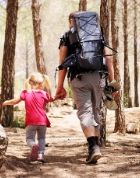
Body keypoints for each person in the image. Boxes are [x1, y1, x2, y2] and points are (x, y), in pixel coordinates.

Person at [54, 12, 115, 164]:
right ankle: (96, 145)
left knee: (85, 112)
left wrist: (59, 87)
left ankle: (93, 147)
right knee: (95, 110)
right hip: (99, 77)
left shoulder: (67, 36)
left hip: (79, 78)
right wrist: (112, 82)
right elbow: (108, 59)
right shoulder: (98, 34)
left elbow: (63, 65)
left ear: (71, 21)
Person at [1, 72, 52, 162]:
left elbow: (14, 101)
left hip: (31, 121)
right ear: (42, 83)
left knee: (29, 139)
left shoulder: (25, 93)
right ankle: (41, 155)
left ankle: (33, 145)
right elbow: (51, 99)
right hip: (42, 121)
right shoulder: (44, 94)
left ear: (30, 83)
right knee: (42, 138)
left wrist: (5, 103)